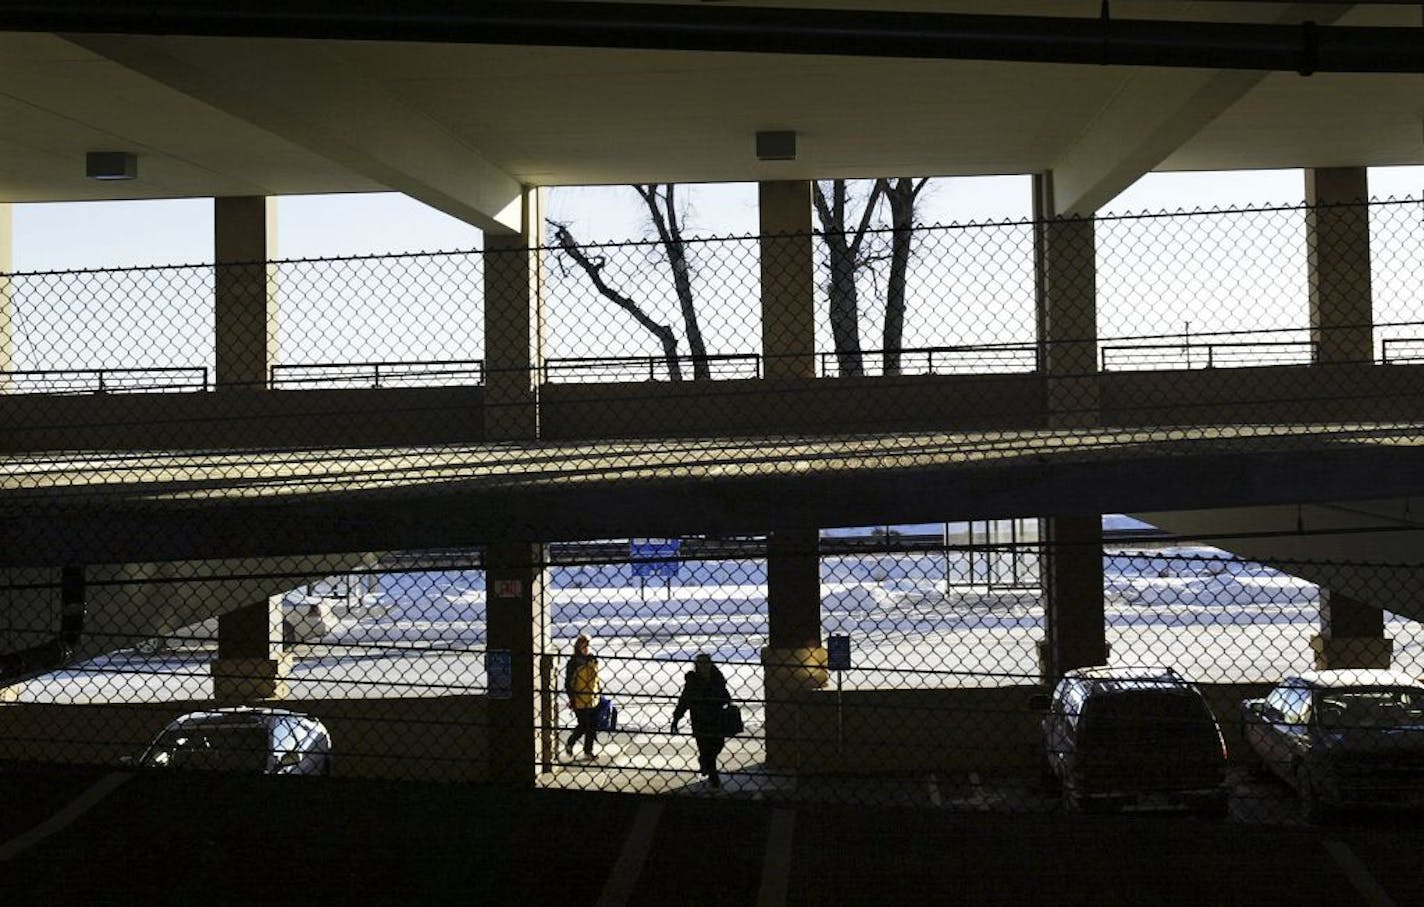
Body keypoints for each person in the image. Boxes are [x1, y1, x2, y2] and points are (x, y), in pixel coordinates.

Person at [671, 653, 732, 788]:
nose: (703, 665)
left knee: (717, 745)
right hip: (700, 721)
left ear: (710, 664)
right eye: (700, 663)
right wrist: (676, 718)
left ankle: (704, 762)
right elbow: (684, 701)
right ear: (696, 665)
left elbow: (726, 696)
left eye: (706, 662)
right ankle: (713, 777)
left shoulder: (717, 678)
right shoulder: (692, 682)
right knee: (706, 749)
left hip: (716, 719)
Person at [564, 634, 601, 759]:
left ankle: (587, 751)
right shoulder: (574, 663)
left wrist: (599, 691)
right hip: (579, 698)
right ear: (578, 647)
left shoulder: (592, 660)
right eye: (583, 646)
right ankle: (571, 742)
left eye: (587, 646)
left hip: (592, 697)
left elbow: (596, 679)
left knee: (592, 724)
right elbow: (568, 683)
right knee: (584, 725)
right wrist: (571, 698)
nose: (586, 648)